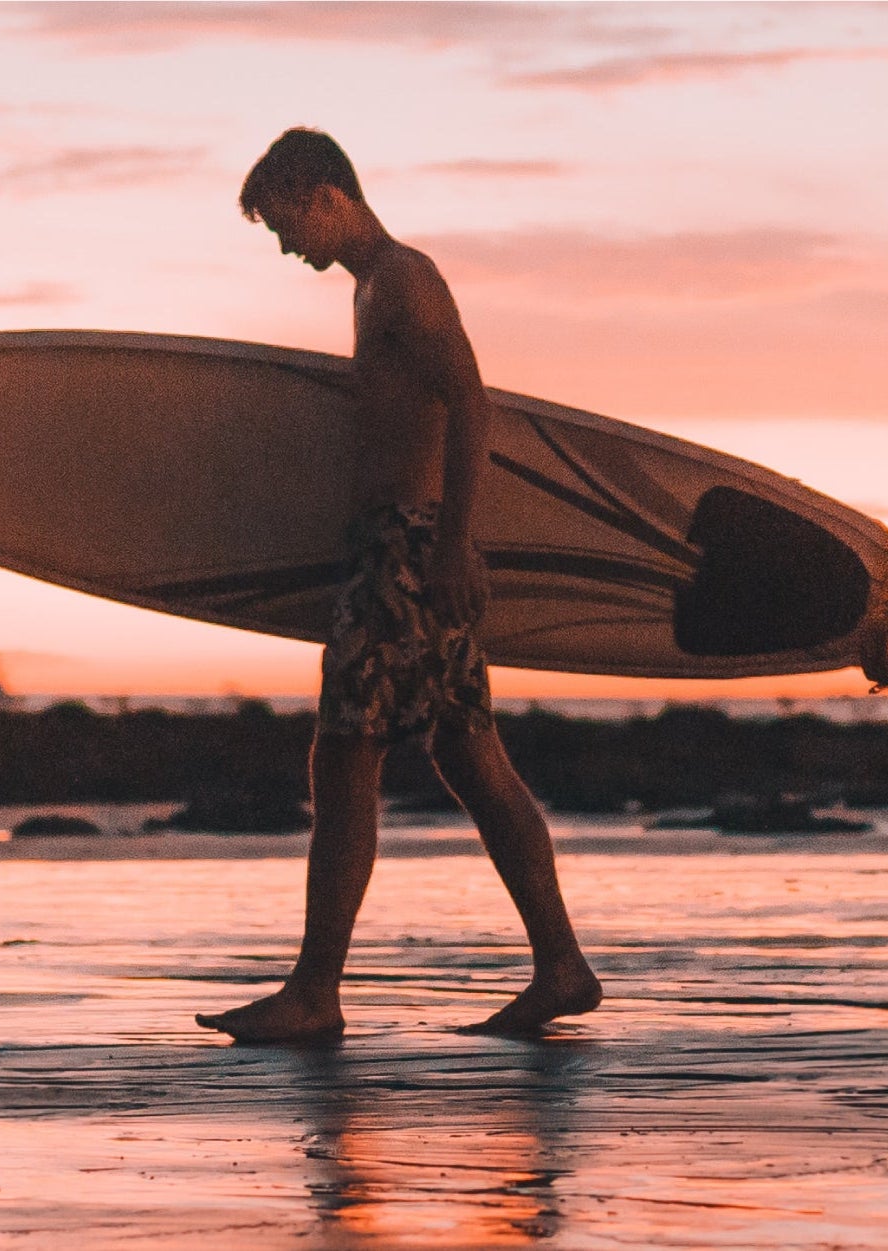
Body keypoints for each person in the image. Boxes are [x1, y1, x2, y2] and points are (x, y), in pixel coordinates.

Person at [196, 128, 601, 1043]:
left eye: (285, 223)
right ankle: (562, 964)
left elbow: (472, 401)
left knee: (344, 756)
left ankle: (314, 992)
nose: (287, 247)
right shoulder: (376, 288)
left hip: (406, 554)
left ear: (325, 192)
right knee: (468, 756)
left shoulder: (404, 281)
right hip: (403, 546)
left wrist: (452, 545)